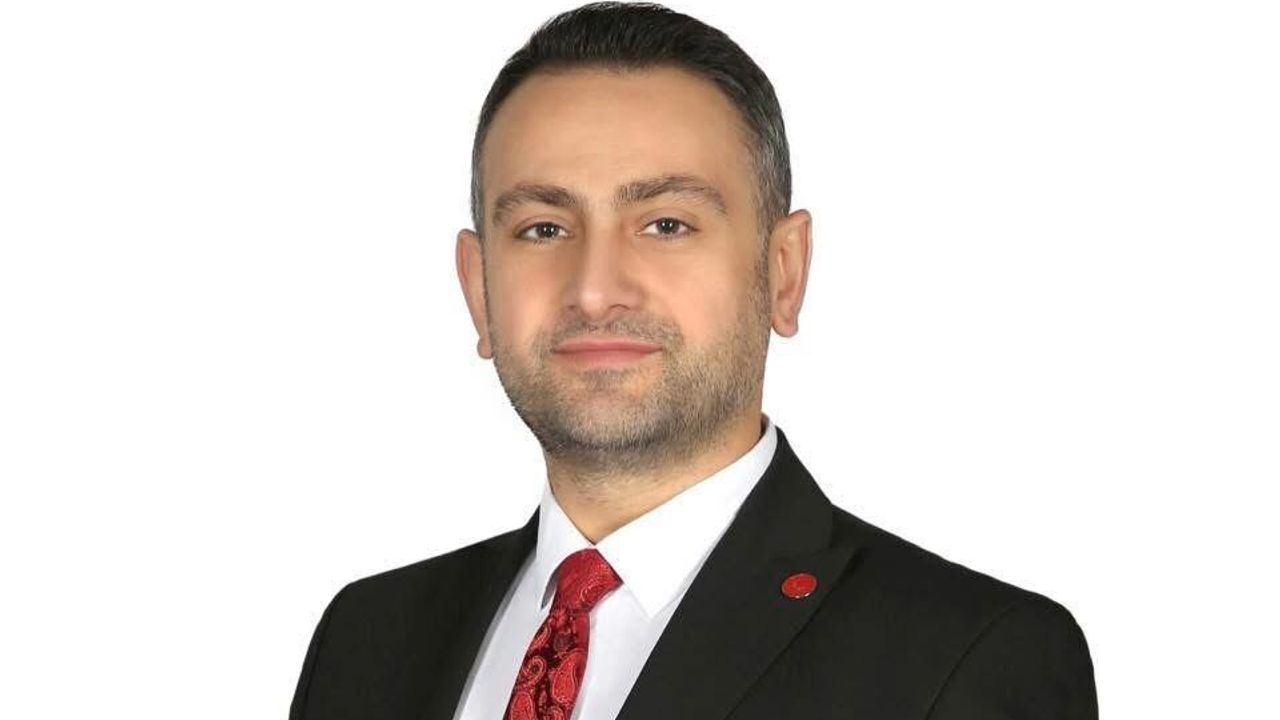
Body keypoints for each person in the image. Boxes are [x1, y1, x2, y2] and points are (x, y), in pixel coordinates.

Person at [288, 3, 1098, 719]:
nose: (595, 290)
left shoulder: (967, 658)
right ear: (478, 288)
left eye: (666, 224)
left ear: (783, 273)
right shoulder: (366, 640)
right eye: (543, 229)